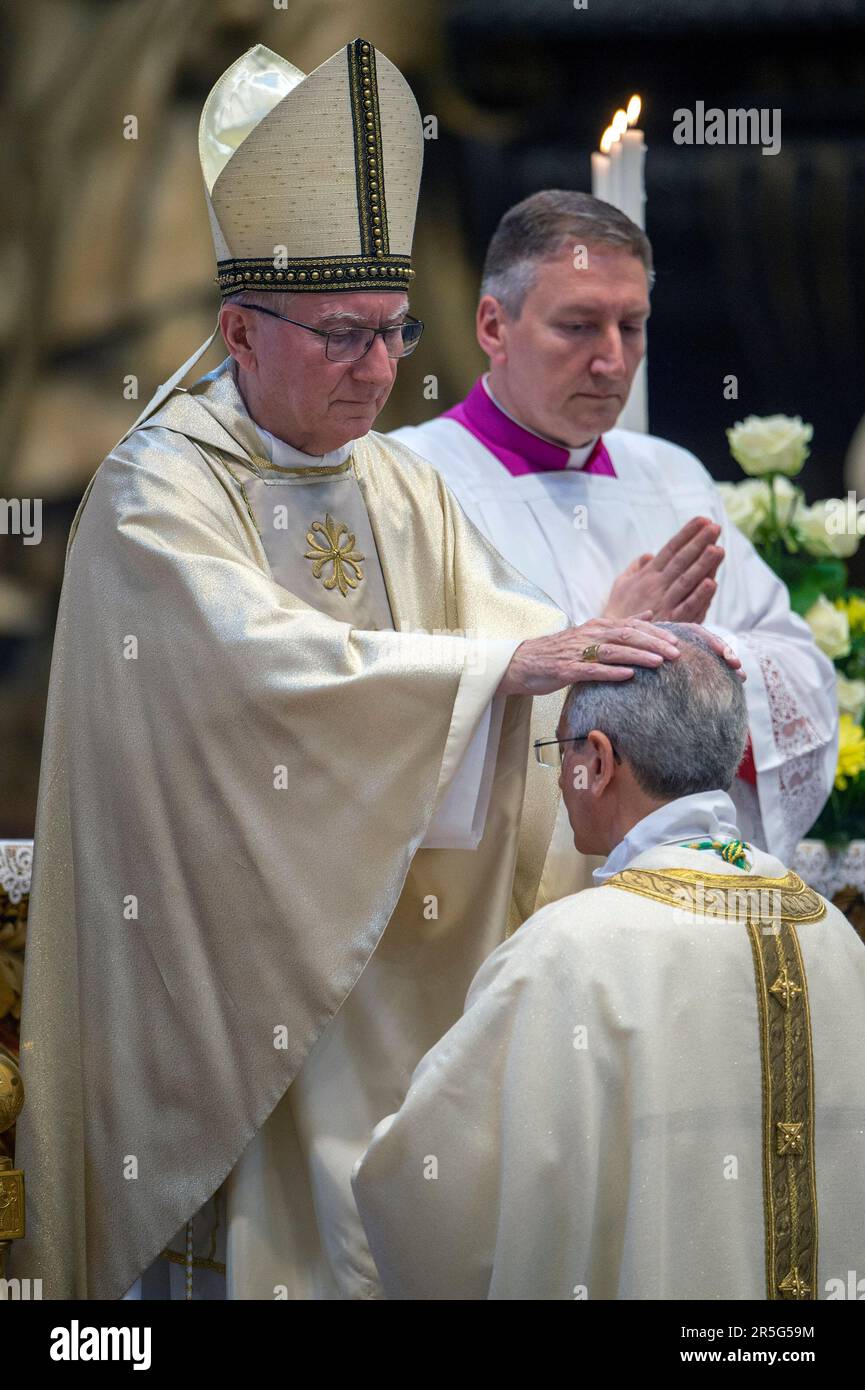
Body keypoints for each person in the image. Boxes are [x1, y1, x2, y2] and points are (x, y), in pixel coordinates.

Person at [9, 41, 741, 1303]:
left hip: (402, 971)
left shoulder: (393, 477)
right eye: (342, 337)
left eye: (394, 333)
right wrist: (510, 660)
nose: (379, 370)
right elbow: (255, 673)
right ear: (241, 328)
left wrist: (588, 648)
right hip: (237, 976)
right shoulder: (157, 490)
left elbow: (500, 633)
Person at [352, 626, 865, 1300]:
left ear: (594, 761)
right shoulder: (833, 935)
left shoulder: (566, 952)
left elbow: (425, 1193)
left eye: (556, 753)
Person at [389, 191, 838, 893]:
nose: (610, 360)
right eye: (577, 325)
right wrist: (605, 643)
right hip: (488, 908)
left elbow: (800, 677)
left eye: (631, 327)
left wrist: (697, 655)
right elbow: (393, 707)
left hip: (676, 908)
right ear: (492, 325)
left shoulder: (670, 476)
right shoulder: (408, 482)